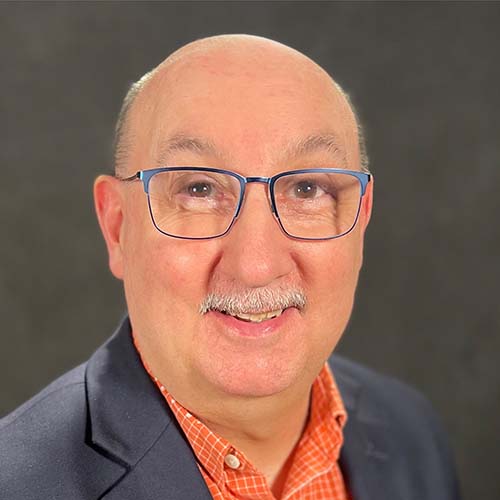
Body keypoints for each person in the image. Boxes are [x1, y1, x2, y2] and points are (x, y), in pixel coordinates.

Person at [0, 34, 460, 500]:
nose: (256, 266)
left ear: (360, 220)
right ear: (118, 228)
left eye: (306, 190)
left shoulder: (411, 432)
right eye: (198, 190)